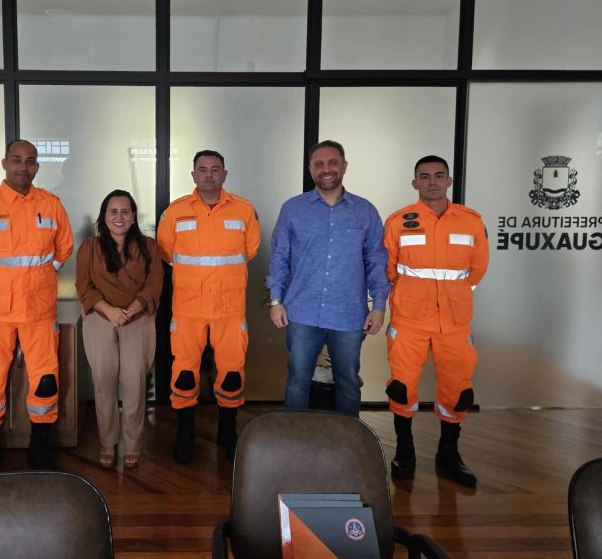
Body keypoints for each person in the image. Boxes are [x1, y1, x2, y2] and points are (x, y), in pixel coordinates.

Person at [0, 140, 73, 473]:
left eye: (30, 161)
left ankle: (39, 448)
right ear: (4, 163)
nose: (23, 167)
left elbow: (63, 250)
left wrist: (38, 278)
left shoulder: (52, 205)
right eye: (16, 160)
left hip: (39, 311)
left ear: (37, 167)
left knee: (46, 380)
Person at [384, 155, 489, 487]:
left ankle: (448, 454)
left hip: (455, 322)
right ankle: (405, 451)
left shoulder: (471, 221)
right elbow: (387, 269)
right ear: (414, 183)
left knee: (458, 391)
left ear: (449, 181)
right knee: (402, 387)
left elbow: (477, 269)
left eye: (439, 175)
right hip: (410, 319)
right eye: (424, 176)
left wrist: (456, 296)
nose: (432, 181)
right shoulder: (399, 221)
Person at [267, 140, 389, 418]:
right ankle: (295, 439)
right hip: (301, 312)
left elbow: (376, 259)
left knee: (347, 380)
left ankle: (347, 444)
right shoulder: (293, 209)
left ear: (344, 166)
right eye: (319, 164)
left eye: (332, 162)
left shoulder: (365, 211)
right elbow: (279, 257)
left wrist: (379, 306)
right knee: (298, 379)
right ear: (311, 169)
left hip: (349, 315)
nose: (326, 169)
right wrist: (276, 300)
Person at [157, 150, 260, 463]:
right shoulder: (175, 213)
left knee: (231, 373)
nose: (209, 175)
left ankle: (226, 431)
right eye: (202, 170)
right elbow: (166, 253)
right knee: (184, 373)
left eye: (215, 170)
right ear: (193, 176)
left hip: (230, 309)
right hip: (188, 309)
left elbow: (251, 251)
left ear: (225, 174)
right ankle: (185, 432)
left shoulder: (243, 210)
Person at [75, 190, 163, 470]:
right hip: (101, 317)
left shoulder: (148, 247)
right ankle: (107, 442)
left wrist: (133, 309)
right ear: (104, 216)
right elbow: (83, 286)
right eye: (113, 211)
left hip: (137, 318)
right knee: (103, 382)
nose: (119, 217)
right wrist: (109, 311)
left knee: (135, 384)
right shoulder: (89, 248)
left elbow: (154, 284)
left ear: (134, 216)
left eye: (125, 211)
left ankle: (132, 443)